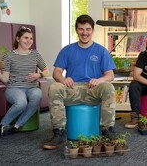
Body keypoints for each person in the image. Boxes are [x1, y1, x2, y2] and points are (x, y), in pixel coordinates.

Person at [43, 14, 116, 150]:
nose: (85, 33)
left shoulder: (101, 51)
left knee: (108, 87)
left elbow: (110, 75)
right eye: (81, 29)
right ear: (76, 30)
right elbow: (56, 72)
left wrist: (99, 80)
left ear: (92, 30)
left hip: (92, 90)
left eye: (88, 29)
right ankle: (59, 132)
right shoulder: (67, 50)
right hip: (72, 89)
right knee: (54, 87)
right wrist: (63, 79)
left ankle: (107, 130)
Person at [0, 26, 49, 136]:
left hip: (32, 87)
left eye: (31, 38)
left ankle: (16, 126)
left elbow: (46, 71)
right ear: (18, 39)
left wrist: (38, 74)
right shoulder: (9, 56)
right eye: (26, 38)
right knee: (22, 103)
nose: (29, 41)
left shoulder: (35, 54)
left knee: (38, 95)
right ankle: (2, 125)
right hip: (14, 88)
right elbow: (6, 80)